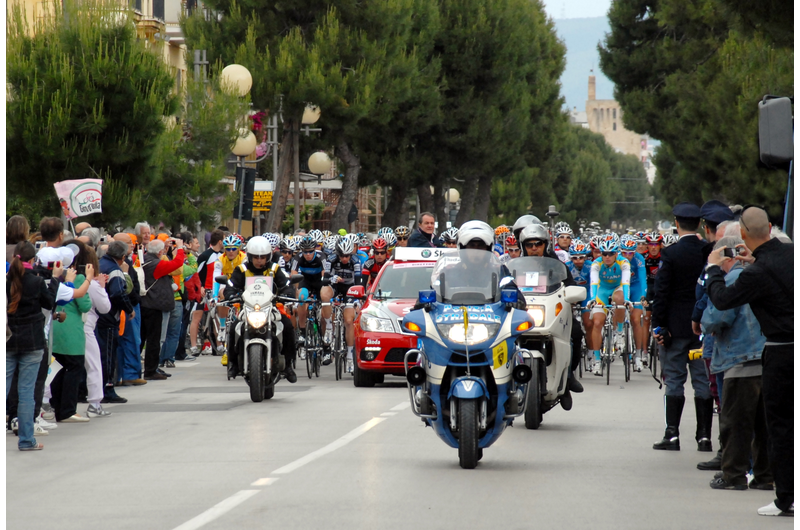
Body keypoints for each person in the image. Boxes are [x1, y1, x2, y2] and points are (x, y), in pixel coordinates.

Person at [704, 206, 793, 516]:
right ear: (770, 227)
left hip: (781, 350)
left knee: (779, 425)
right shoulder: (790, 254)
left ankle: (786, 498)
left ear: (741, 234)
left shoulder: (755, 273)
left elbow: (722, 301)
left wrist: (714, 270)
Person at [701, 235, 770, 491]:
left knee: (735, 424)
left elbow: (716, 319)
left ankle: (733, 475)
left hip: (739, 361)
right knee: (765, 426)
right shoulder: (761, 275)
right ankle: (766, 476)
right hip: (767, 358)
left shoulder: (731, 280)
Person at [651, 202, 712, 452]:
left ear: (676, 224)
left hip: (675, 329)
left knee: (674, 380)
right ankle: (704, 437)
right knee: (702, 381)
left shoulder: (671, 254)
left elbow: (661, 293)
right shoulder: (708, 251)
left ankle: (672, 434)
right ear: (699, 223)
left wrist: (659, 326)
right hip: (702, 328)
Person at [518, 223, 584, 407]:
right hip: (523, 313)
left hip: (550, 312)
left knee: (576, 332)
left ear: (545, 245)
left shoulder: (557, 266)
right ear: (523, 246)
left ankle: (567, 376)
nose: (533, 248)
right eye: (529, 245)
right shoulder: (515, 266)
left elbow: (570, 286)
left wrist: (572, 296)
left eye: (537, 244)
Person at [6, 242, 61, 450]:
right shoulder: (36, 283)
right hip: (33, 339)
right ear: (32, 260)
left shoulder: (7, 281)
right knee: (27, 391)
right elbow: (50, 304)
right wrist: (54, 279)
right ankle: (27, 439)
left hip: (9, 338)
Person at [224, 236, 297, 383]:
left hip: (271, 309)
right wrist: (231, 295)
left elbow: (287, 284)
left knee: (288, 327)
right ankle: (233, 364)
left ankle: (288, 365)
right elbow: (230, 286)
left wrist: (287, 293)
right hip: (248, 309)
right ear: (250, 256)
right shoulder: (242, 269)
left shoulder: (275, 269)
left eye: (262, 257)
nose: (259, 261)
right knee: (233, 329)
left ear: (268, 257)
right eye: (256, 257)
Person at [49, 240, 95, 422]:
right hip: (72, 331)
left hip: (55, 329)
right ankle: (68, 409)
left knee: (57, 369)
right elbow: (85, 305)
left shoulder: (53, 276)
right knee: (74, 367)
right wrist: (89, 279)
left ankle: (57, 406)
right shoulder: (80, 279)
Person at [586, 234, 633, 374]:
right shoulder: (596, 263)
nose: (607, 257)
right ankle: (597, 360)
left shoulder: (623, 262)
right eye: (604, 254)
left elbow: (625, 283)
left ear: (616, 254)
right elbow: (593, 283)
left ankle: (619, 332)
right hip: (602, 291)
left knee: (620, 299)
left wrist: (627, 299)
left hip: (617, 289)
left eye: (611, 254)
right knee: (597, 322)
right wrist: (593, 299)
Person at [140, 238, 185, 381]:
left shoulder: (145, 260)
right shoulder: (156, 264)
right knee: (154, 339)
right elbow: (177, 264)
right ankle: (150, 370)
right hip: (154, 305)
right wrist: (180, 248)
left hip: (145, 304)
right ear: (161, 252)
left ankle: (139, 368)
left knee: (142, 339)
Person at [96, 241, 134, 403]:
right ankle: (108, 388)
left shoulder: (99, 264)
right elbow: (118, 292)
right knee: (108, 354)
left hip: (95, 315)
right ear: (123, 257)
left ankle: (97, 387)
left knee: (99, 355)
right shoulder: (115, 270)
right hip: (108, 316)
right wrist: (129, 308)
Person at [291, 235, 333, 364]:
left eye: (310, 252)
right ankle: (303, 332)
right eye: (305, 252)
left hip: (319, 282)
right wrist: (296, 289)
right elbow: (293, 273)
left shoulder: (322, 256)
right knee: (302, 298)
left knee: (323, 313)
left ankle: (326, 348)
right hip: (306, 282)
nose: (308, 255)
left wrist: (322, 289)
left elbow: (324, 273)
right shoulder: (297, 258)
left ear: (314, 250)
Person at [323, 238, 362, 373]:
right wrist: (331, 278)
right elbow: (324, 280)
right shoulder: (331, 259)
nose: (344, 259)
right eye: (342, 256)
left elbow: (358, 284)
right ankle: (329, 326)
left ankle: (350, 357)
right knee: (324, 293)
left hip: (350, 290)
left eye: (347, 256)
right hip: (336, 287)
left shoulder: (356, 261)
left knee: (349, 321)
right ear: (337, 254)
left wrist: (357, 300)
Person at [189, 229, 225, 355]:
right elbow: (195, 273)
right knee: (196, 317)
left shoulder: (222, 256)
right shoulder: (205, 255)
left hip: (215, 292)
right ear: (220, 241)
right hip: (203, 291)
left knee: (217, 319)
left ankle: (219, 344)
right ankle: (194, 346)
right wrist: (201, 287)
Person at [619, 235, 647, 371]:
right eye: (624, 252)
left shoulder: (639, 259)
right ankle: (616, 333)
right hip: (621, 287)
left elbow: (642, 280)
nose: (628, 255)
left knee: (636, 320)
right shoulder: (616, 258)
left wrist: (643, 296)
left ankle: (638, 354)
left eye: (631, 253)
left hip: (635, 288)